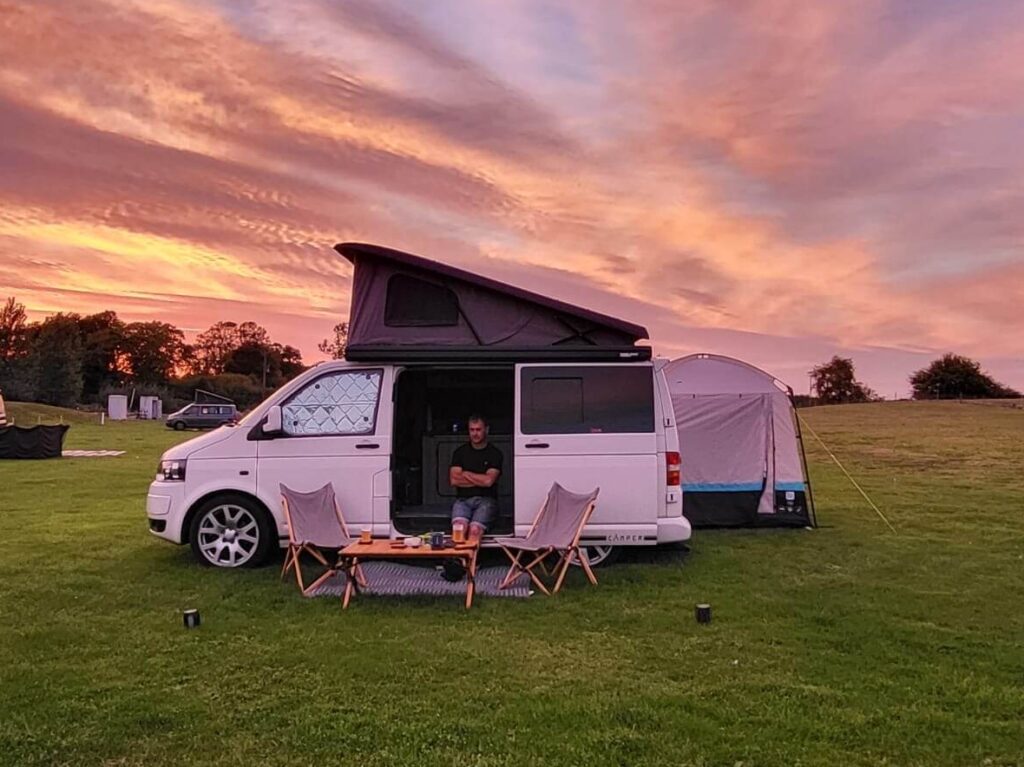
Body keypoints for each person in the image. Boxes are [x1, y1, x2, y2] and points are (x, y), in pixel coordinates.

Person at [449, 414, 503, 544]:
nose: (475, 434)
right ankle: (460, 556)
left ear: (486, 430)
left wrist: (466, 473)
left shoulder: (495, 453)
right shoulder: (459, 452)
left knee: (475, 530)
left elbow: (488, 482)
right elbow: (454, 480)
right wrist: (480, 479)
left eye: (478, 429)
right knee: (458, 529)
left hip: (486, 501)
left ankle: (471, 557)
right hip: (463, 500)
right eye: (472, 430)